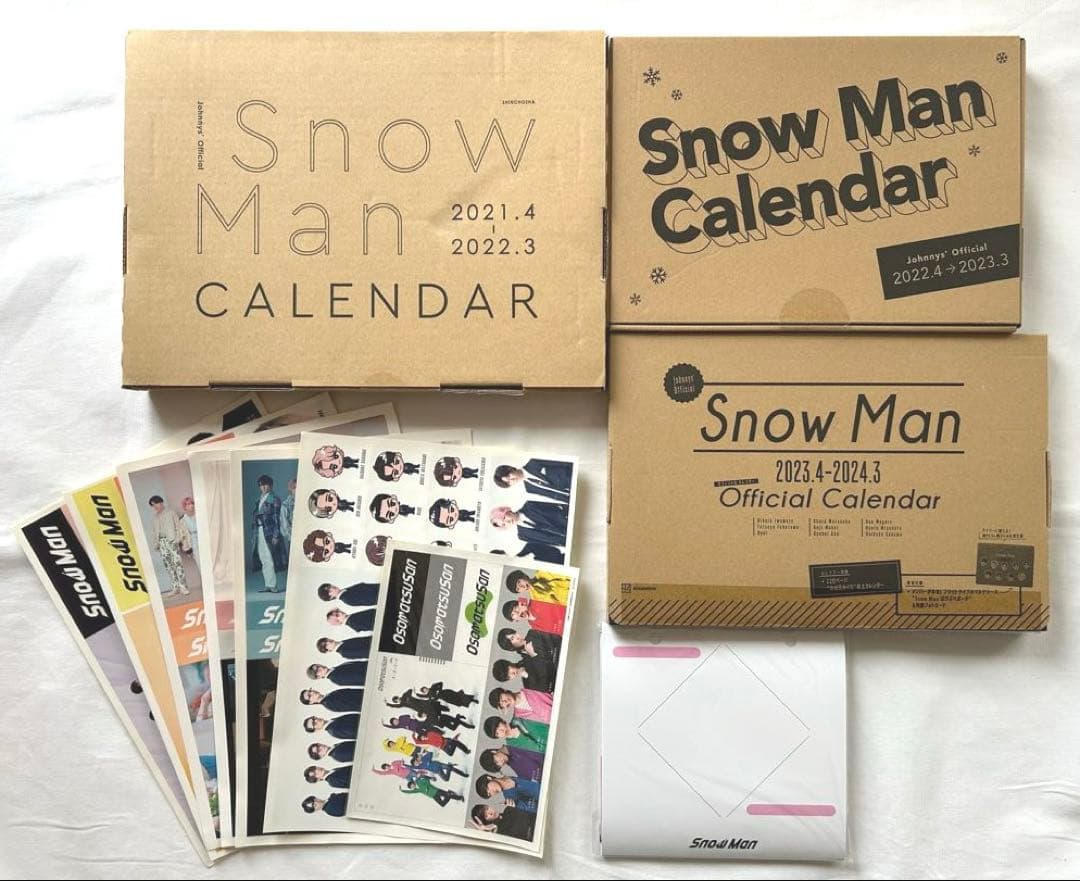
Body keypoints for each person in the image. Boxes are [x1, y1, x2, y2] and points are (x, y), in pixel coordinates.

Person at [148, 495, 192, 596]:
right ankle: (175, 587)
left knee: (177, 564)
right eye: (153, 505)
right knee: (169, 566)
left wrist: (177, 539)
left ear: (161, 502)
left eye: (156, 504)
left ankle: (183, 587)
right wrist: (156, 543)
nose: (155, 507)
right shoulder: (155, 517)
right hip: (162, 543)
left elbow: (179, 527)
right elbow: (155, 532)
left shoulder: (171, 513)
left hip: (171, 541)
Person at [251, 475, 285, 592]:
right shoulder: (259, 500)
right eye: (261, 485)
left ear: (270, 485)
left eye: (266, 485)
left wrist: (276, 535)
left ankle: (272, 585)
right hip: (259, 531)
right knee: (263, 558)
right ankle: (268, 584)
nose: (263, 487)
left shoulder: (274, 499)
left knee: (269, 558)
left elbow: (277, 519)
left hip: (269, 532)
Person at [489, 501, 569, 549]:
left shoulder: (530, 505)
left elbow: (561, 506)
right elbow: (550, 543)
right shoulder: (522, 536)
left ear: (506, 510)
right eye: (504, 524)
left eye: (504, 518)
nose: (507, 522)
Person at [493, 459, 573, 500]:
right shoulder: (529, 488)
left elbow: (566, 462)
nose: (512, 479)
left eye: (509, 476)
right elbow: (555, 496)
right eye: (509, 482)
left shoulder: (534, 462)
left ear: (510, 468)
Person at [497, 627, 562, 667]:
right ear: (510, 647)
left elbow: (557, 639)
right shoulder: (526, 662)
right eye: (512, 638)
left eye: (514, 633)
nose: (517, 636)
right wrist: (533, 655)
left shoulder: (532, 633)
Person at [475, 773, 540, 812]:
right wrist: (517, 805)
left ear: (489, 778)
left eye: (488, 789)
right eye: (490, 794)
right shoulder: (510, 798)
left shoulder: (515, 769)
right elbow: (537, 808)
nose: (492, 793)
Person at [470, 803, 535, 840]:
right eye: (486, 815)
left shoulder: (509, 809)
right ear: (486, 822)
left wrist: (518, 805)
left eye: (487, 808)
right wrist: (489, 834)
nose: (490, 813)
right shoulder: (499, 832)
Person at [488, 686, 552, 724]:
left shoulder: (529, 687)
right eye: (502, 704)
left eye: (501, 698)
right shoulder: (520, 717)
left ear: (504, 691)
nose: (505, 702)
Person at [483, 715, 549, 752]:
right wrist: (519, 737)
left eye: (498, 726)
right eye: (497, 733)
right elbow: (540, 751)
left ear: (502, 720)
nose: (501, 731)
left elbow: (546, 726)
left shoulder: (519, 717)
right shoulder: (512, 746)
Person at [479, 744, 544, 782]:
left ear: (493, 752)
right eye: (498, 766)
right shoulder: (513, 766)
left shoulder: (515, 742)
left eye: (496, 761)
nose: (501, 764)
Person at [505, 570, 570, 606]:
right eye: (518, 589)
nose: (522, 587)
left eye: (519, 582)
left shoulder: (543, 572)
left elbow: (569, 575)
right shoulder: (535, 599)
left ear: (524, 575)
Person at [492, 658, 556, 694]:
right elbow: (545, 689)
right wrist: (527, 675)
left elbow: (548, 667)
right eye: (508, 677)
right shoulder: (527, 685)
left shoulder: (528, 658)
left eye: (508, 671)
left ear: (508, 662)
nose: (512, 674)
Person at [180, 497, 199, 564]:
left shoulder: (199, 515)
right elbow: (183, 536)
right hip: (194, 542)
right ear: (185, 507)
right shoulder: (183, 520)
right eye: (188, 504)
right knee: (200, 562)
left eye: (192, 503)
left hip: (204, 538)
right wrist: (187, 549)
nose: (191, 505)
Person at [280, 478, 296, 544]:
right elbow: (285, 526)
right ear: (290, 489)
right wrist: (292, 537)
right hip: (293, 538)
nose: (297, 490)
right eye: (294, 488)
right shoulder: (285, 505)